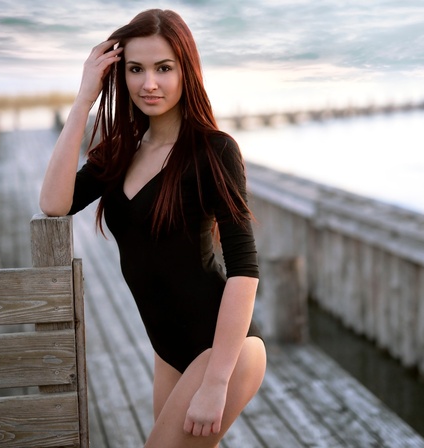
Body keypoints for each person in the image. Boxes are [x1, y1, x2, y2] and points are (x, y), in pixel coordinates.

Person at [39, 9, 266, 448]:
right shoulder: (118, 152)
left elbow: (243, 268)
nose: (149, 84)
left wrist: (217, 381)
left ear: (186, 70)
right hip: (168, 351)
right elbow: (53, 203)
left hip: (223, 352)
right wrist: (85, 96)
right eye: (135, 69)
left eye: (164, 68)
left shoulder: (213, 151)